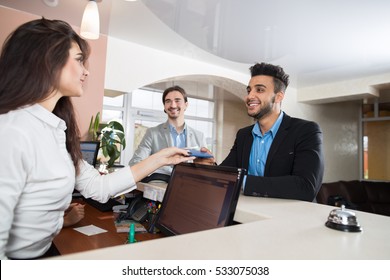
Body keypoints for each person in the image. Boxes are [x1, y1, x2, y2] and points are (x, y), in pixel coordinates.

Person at [0, 18, 194, 260]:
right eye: (79, 59)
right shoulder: (12, 130)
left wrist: (160, 159)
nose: (86, 70)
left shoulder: (56, 130)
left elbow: (98, 188)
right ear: (48, 60)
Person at [197, 62, 324, 202]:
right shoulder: (243, 135)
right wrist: (209, 166)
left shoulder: (306, 131)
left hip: (292, 219)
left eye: (259, 90)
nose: (250, 96)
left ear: (279, 97)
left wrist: (241, 181)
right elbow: (227, 173)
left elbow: (306, 187)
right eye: (249, 90)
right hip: (252, 214)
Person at [129, 85, 206, 175]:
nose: (173, 105)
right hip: (160, 184)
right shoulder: (152, 133)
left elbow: (205, 166)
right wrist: (161, 163)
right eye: (168, 101)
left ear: (186, 105)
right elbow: (135, 163)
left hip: (190, 185)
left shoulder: (199, 136)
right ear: (165, 107)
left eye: (177, 100)